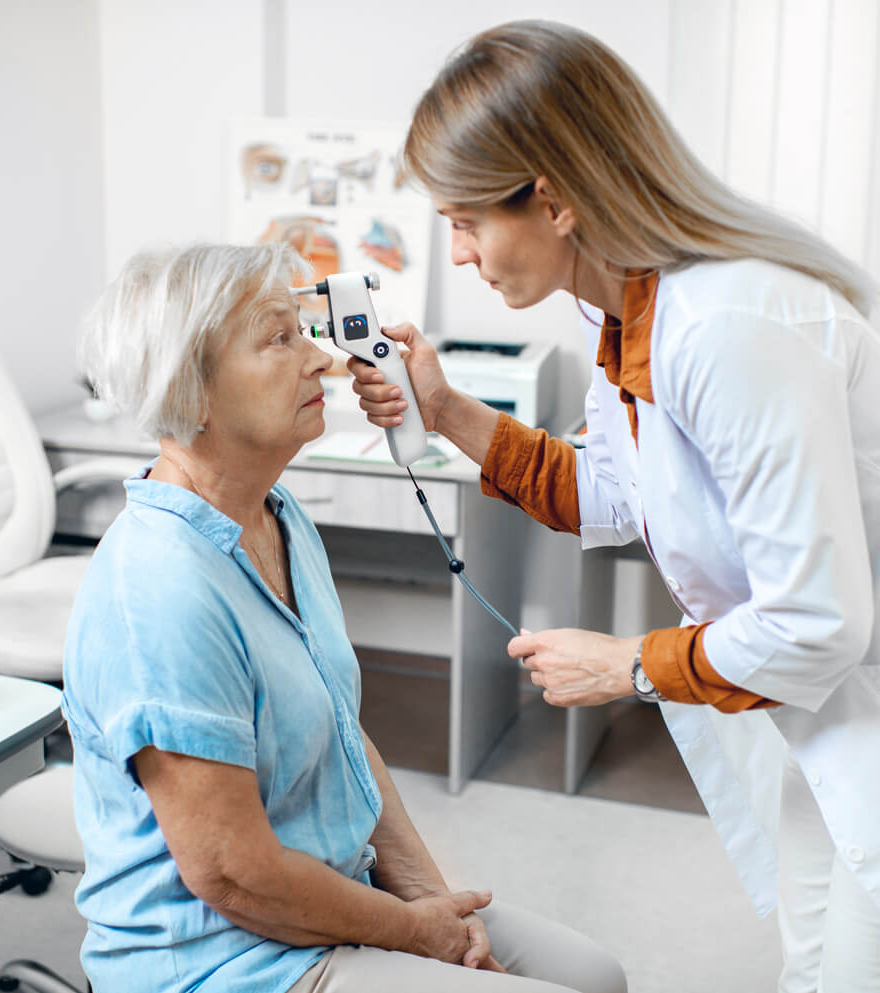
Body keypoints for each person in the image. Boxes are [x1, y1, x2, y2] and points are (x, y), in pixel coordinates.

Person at [348, 19, 880, 993]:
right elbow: (616, 493)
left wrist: (626, 665)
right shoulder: (624, 303)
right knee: (812, 957)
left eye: (467, 222)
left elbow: (819, 623)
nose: (458, 254)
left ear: (549, 197)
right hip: (810, 699)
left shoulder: (728, 325)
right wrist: (448, 410)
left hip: (851, 688)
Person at [60, 241, 627, 993]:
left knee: (596, 976)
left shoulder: (278, 516)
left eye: (305, 330)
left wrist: (434, 909)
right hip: (226, 961)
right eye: (280, 337)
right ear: (189, 391)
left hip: (332, 895)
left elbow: (339, 730)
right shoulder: (159, 588)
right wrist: (411, 930)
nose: (320, 360)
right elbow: (235, 875)